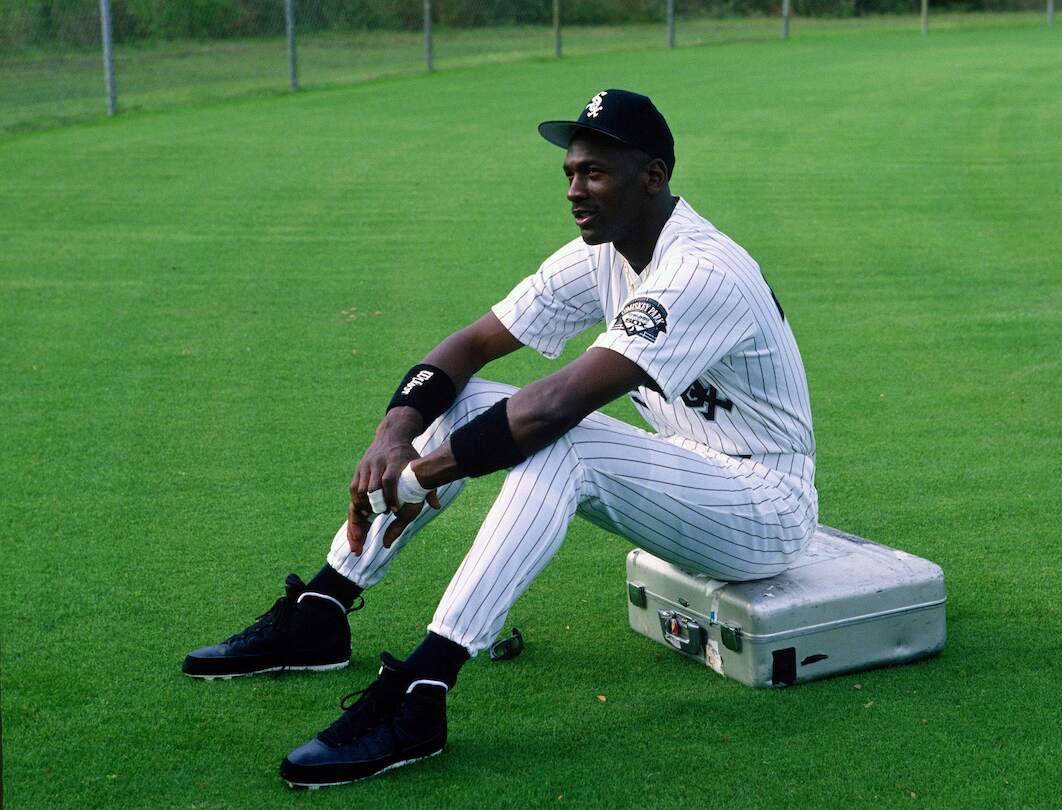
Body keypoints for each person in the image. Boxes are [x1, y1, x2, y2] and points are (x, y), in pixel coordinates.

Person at [182, 89, 817, 789]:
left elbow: (553, 408)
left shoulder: (700, 270)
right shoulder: (604, 251)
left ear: (654, 177)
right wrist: (395, 434)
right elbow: (470, 345)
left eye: (596, 174)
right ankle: (324, 610)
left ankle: (423, 692)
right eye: (571, 171)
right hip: (690, 471)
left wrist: (417, 478)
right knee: (475, 398)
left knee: (564, 439)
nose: (575, 189)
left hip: (765, 505)